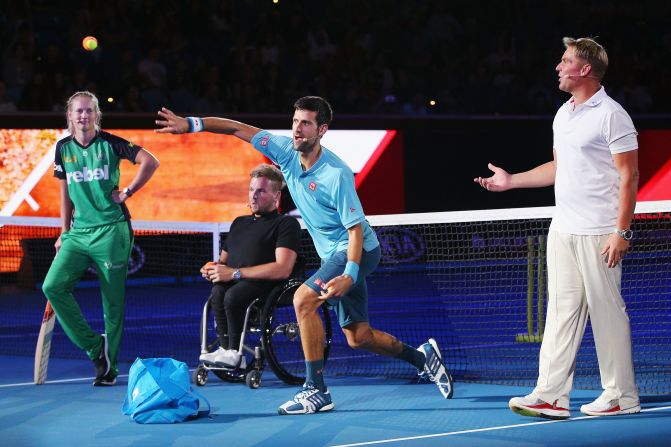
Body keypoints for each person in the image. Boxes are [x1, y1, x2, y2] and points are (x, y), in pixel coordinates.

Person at [156, 96, 453, 415]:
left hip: (358, 251)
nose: (297, 129)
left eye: (306, 123)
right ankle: (423, 358)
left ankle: (316, 390)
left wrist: (349, 274)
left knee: (303, 300)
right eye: (295, 121)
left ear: (321, 130)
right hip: (334, 256)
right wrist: (191, 124)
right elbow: (235, 128)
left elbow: (355, 231)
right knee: (359, 338)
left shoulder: (336, 174)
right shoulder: (282, 149)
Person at [474, 37, 640, 419]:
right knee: (561, 312)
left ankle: (621, 395)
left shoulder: (612, 115)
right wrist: (511, 181)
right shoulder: (563, 113)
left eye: (565, 61)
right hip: (563, 229)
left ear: (585, 70)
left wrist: (622, 231)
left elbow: (629, 175)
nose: (558, 67)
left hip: (600, 232)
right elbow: (559, 167)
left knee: (607, 313)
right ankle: (551, 395)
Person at [42, 91, 159, 386]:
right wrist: (64, 231)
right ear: (69, 116)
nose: (83, 116)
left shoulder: (111, 143)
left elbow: (150, 161)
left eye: (89, 111)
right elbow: (66, 191)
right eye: (78, 111)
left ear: (96, 115)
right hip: (78, 233)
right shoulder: (63, 149)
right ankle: (96, 348)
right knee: (52, 286)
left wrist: (127, 192)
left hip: (112, 231)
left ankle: (109, 368)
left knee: (112, 304)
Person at [199, 164, 302, 369]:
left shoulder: (286, 224)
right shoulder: (238, 223)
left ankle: (233, 353)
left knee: (233, 295)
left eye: (261, 191)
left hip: (269, 285)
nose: (253, 196)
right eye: (252, 190)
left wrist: (235, 273)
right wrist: (212, 268)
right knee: (218, 291)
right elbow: (223, 262)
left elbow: (283, 268)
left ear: (276, 196)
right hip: (240, 282)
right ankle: (227, 350)